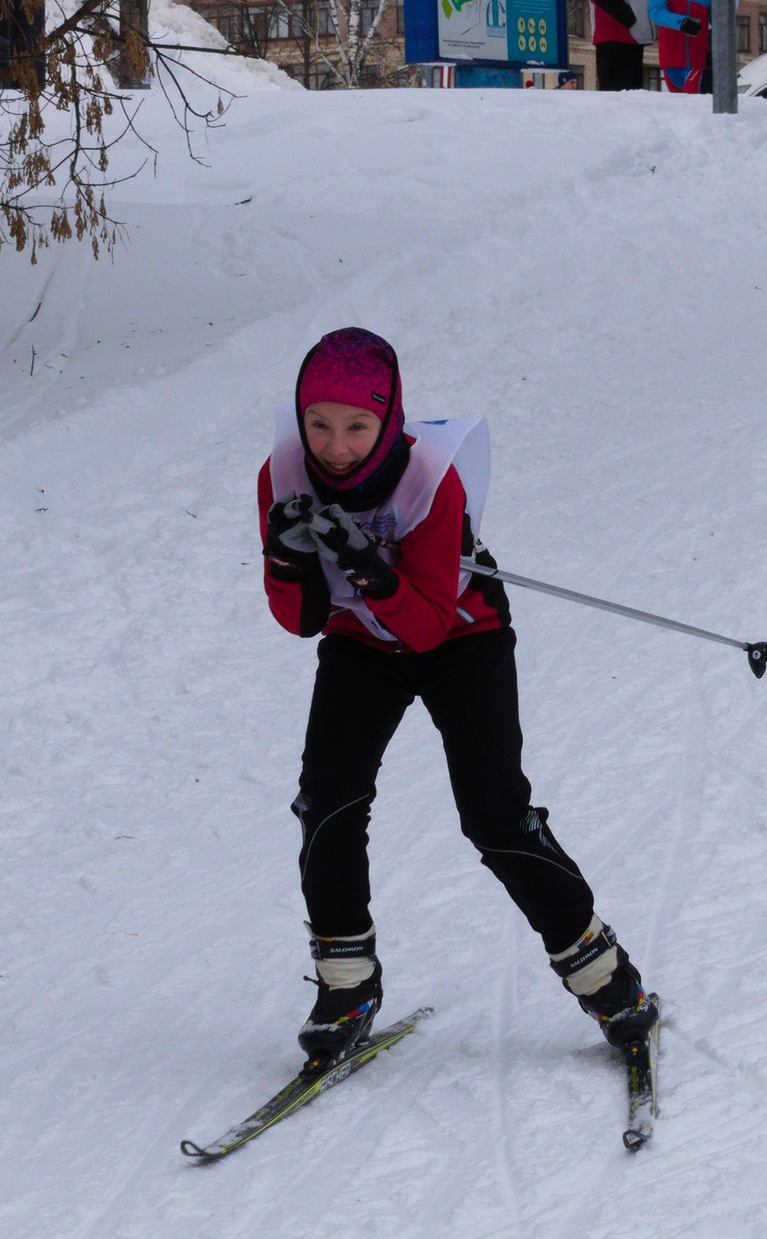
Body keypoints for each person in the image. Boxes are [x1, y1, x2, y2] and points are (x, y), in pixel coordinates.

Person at [259, 329, 654, 1066]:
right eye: (318, 424)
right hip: (361, 643)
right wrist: (287, 558)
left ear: (388, 421)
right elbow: (300, 619)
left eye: (356, 427)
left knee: (495, 814)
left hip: (460, 636)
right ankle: (348, 988)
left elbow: (427, 622)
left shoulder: (429, 482)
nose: (336, 447)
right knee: (328, 801)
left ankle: (607, 980)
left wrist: (363, 565)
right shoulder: (282, 475)